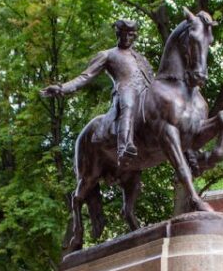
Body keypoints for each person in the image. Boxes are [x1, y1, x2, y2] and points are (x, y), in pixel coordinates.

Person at [41, 19, 153, 165]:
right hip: (126, 90)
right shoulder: (107, 55)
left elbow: (152, 78)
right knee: (129, 103)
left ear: (135, 36)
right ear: (117, 34)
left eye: (130, 35)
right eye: (122, 34)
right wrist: (62, 88)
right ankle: (124, 148)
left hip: (146, 91)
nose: (126, 38)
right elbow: (85, 77)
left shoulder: (140, 58)